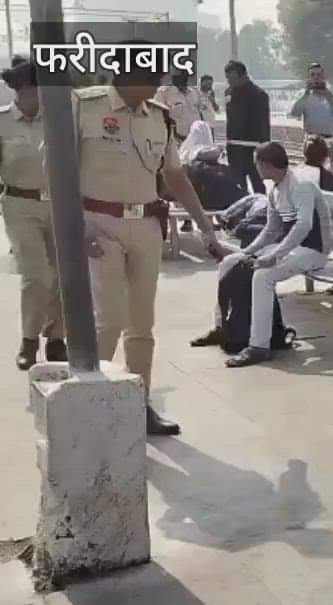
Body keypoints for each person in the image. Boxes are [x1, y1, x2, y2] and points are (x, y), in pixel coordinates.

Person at [79, 48, 222, 435]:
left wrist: (206, 229)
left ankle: (138, 405)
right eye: (153, 75)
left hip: (144, 226)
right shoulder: (83, 107)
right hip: (97, 225)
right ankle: (90, 406)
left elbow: (176, 177)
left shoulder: (159, 117)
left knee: (142, 324)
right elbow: (54, 174)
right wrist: (77, 227)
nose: (160, 82)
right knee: (109, 319)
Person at [194, 142, 332, 368]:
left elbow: (304, 226)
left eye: (257, 163)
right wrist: (246, 253)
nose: (255, 167)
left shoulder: (302, 185)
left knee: (263, 276)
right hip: (293, 248)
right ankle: (222, 328)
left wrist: (275, 255)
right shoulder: (275, 189)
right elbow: (271, 229)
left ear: (265, 165)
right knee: (229, 263)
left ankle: (259, 346)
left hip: (313, 250)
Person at [0, 56, 64, 370]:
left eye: (39, 89)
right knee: (36, 275)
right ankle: (28, 340)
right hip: (19, 204)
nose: (34, 95)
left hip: (58, 205)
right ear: (17, 90)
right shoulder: (2, 122)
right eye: (28, 89)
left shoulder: (57, 120)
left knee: (61, 275)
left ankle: (56, 338)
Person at [289, 63, 333, 193]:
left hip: (332, 138)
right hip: (313, 140)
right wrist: (305, 95)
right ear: (308, 78)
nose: (316, 78)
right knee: (312, 171)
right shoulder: (303, 94)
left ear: (324, 77)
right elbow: (294, 113)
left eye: (319, 75)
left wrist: (329, 96)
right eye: (313, 75)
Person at [224, 60, 270, 194]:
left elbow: (264, 124)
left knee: (258, 184)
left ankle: (262, 210)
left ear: (243, 76)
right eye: (227, 78)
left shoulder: (259, 95)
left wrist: (265, 147)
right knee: (237, 186)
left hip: (253, 147)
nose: (229, 82)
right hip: (234, 147)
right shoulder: (229, 93)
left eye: (232, 78)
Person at [153, 69, 207, 141]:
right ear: (173, 78)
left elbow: (200, 112)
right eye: (180, 76)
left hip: (196, 137)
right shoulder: (164, 93)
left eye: (185, 77)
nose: (184, 79)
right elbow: (157, 114)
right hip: (176, 138)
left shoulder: (195, 92)